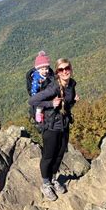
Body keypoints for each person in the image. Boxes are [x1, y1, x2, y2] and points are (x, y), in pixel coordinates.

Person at [28, 58, 79, 201]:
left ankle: (54, 179)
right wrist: (51, 103)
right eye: (61, 69)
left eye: (67, 68)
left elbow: (65, 106)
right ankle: (45, 184)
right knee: (49, 156)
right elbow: (32, 101)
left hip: (64, 125)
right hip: (50, 126)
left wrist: (73, 100)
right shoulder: (53, 88)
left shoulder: (71, 85)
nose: (65, 71)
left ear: (71, 68)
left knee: (60, 154)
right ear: (57, 72)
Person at [30, 51, 52, 123]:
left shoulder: (49, 76)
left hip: (47, 95)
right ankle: (38, 113)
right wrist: (35, 96)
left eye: (46, 69)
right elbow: (34, 88)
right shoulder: (36, 78)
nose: (45, 71)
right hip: (39, 96)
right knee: (40, 106)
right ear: (38, 69)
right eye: (42, 69)